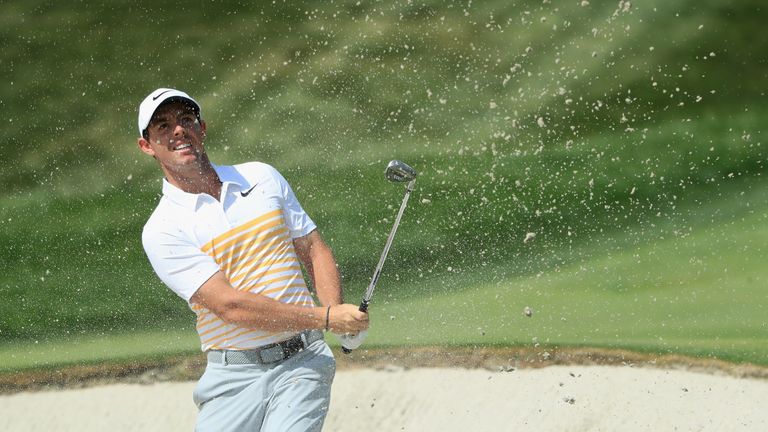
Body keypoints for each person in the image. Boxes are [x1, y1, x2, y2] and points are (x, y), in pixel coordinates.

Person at [136, 88, 369, 431]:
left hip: (302, 363)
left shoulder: (261, 177)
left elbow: (313, 248)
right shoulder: (162, 229)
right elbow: (230, 306)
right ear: (147, 146)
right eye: (163, 126)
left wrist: (334, 316)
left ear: (202, 128)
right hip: (232, 377)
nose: (178, 131)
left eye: (186, 120)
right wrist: (326, 317)